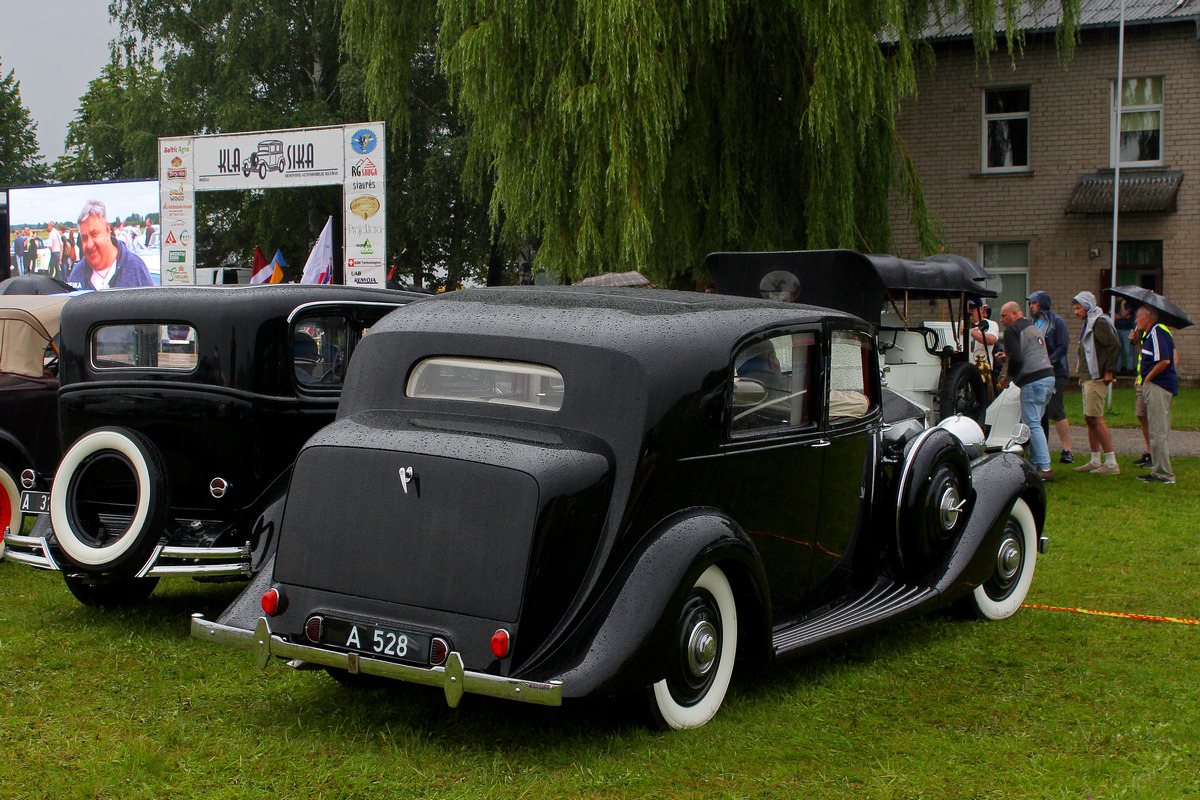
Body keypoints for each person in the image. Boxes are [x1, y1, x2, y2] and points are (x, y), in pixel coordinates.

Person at [998, 301, 1057, 482]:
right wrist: (1007, 357)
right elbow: (1028, 352)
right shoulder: (1033, 328)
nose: (1002, 320)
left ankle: (1045, 467)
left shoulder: (1012, 330)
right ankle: (1036, 462)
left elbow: (1017, 358)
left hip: (1033, 380)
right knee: (1036, 422)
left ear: (1015, 314)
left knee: (1032, 424)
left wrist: (1007, 379)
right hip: (1048, 376)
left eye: (1004, 316)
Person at [1071, 291, 1121, 474]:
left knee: (1096, 418)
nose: (1076, 312)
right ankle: (1094, 459)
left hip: (1098, 376)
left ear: (1087, 306)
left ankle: (1111, 462)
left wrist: (1109, 370)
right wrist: (1082, 375)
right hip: (1089, 376)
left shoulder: (1099, 322)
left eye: (1078, 308)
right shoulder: (1089, 323)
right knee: (1089, 418)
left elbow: (1113, 345)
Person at [1027, 291, 1075, 463]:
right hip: (1036, 372)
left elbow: (1063, 346)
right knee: (1039, 413)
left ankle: (1067, 449)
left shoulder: (1057, 322)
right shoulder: (1031, 323)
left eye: (1034, 303)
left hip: (1055, 372)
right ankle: (1041, 449)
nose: (1031, 306)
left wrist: (1048, 361)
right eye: (1030, 303)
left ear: (1042, 303)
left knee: (1056, 410)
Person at [67, 200, 156, 290]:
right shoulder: (77, 274)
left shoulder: (135, 267)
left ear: (107, 230)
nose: (89, 245)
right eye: (85, 238)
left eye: (94, 234)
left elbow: (153, 302)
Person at [1134, 306, 1177, 484]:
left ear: (1148, 317)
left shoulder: (1157, 333)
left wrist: (1147, 379)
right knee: (1154, 428)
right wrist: (1137, 340)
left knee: (1159, 430)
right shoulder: (1149, 335)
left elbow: (1164, 361)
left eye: (1138, 317)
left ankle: (1165, 474)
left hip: (1159, 385)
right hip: (1153, 384)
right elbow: (1147, 357)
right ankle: (1158, 470)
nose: (1136, 321)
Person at [1114, 300, 1135, 374]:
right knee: (1118, 350)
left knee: (1128, 350)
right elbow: (1113, 316)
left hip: (1127, 330)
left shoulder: (1129, 305)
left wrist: (1123, 304)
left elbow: (1124, 313)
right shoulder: (1116, 305)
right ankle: (1117, 369)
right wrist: (1122, 317)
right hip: (1117, 329)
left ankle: (1130, 369)